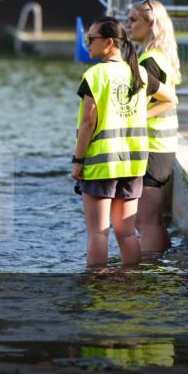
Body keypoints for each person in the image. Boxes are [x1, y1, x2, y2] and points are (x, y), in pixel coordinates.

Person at [72, 16, 176, 269]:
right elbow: (170, 99)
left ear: (109, 42)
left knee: (99, 232)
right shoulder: (137, 72)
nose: (88, 44)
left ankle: (97, 284)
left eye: (91, 39)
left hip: (101, 164)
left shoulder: (95, 75)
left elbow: (88, 122)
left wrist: (78, 161)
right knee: (127, 233)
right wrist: (141, 116)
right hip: (133, 164)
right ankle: (130, 282)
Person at [128, 0, 181, 255]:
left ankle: (150, 271)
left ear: (151, 24)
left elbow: (164, 102)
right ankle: (161, 266)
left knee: (144, 221)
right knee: (154, 220)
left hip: (153, 148)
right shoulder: (160, 57)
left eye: (132, 20)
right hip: (162, 147)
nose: (127, 25)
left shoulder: (148, 61)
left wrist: (137, 119)